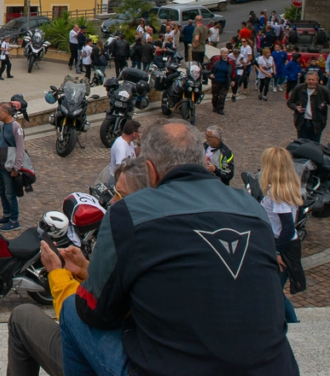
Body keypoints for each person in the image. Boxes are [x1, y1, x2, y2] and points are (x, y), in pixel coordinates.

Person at [58, 120, 300, 376]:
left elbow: (96, 312)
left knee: (73, 309)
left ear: (150, 171)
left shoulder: (129, 213)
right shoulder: (253, 209)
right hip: (275, 368)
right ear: (201, 159)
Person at [6, 156, 150, 376]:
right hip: (141, 348)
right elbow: (120, 298)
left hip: (124, 361)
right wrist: (86, 270)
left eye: (119, 195)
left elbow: (78, 315)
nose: (111, 202)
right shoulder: (160, 242)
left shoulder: (130, 245)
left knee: (21, 317)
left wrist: (57, 274)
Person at [259, 146, 305, 324]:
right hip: (286, 244)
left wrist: (277, 252)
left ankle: (293, 323)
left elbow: (287, 227)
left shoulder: (276, 193)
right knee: (273, 291)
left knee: (274, 293)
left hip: (283, 247)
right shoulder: (288, 188)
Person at [0, 101, 28, 231]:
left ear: (6, 112)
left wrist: (17, 168)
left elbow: (20, 149)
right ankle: (6, 215)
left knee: (10, 194)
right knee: (1, 191)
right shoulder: (3, 126)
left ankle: (14, 220)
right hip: (0, 165)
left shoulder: (16, 127)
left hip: (9, 167)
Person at [288, 70, 330, 142]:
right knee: (301, 145)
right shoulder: (299, 88)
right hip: (302, 123)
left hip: (317, 123)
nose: (311, 81)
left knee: (314, 146)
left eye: (313, 80)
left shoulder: (323, 91)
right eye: (309, 79)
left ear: (317, 81)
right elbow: (290, 102)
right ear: (306, 80)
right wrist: (296, 107)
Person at [209, 48, 234, 114]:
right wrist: (211, 73)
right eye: (224, 53)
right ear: (221, 53)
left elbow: (233, 71)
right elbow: (210, 66)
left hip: (225, 81)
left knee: (222, 96)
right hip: (216, 80)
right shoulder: (216, 59)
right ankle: (215, 106)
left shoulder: (231, 61)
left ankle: (220, 109)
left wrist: (233, 80)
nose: (226, 54)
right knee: (215, 95)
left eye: (227, 53)